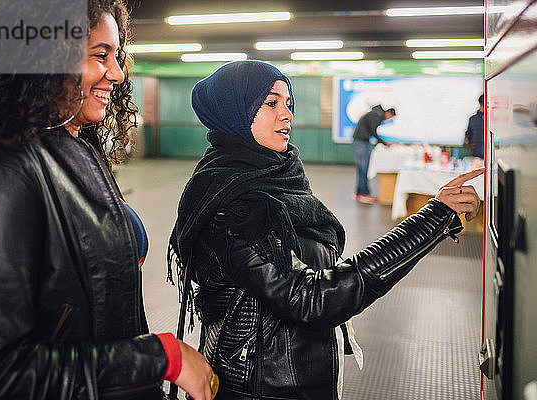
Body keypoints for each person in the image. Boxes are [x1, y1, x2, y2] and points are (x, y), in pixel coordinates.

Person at [0, 1, 215, 399]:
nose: (117, 74)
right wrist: (159, 358)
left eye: (118, 57)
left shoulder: (76, 149)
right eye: (101, 56)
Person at [167, 60, 482, 400]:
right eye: (271, 103)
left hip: (296, 378)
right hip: (261, 388)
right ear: (234, 114)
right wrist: (431, 219)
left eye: (288, 104)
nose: (287, 115)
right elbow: (311, 298)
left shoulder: (278, 179)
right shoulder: (235, 206)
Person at [352, 105, 395, 203]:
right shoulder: (377, 116)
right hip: (362, 143)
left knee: (361, 168)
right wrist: (384, 143)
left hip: (359, 141)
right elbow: (373, 132)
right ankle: (364, 193)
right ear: (388, 113)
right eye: (390, 118)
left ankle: (359, 192)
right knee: (364, 168)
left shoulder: (374, 113)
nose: (388, 119)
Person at [464, 94, 484, 158]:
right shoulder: (473, 119)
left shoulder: (473, 119)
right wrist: (468, 143)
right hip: (475, 156)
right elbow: (466, 140)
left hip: (478, 155)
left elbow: (467, 139)